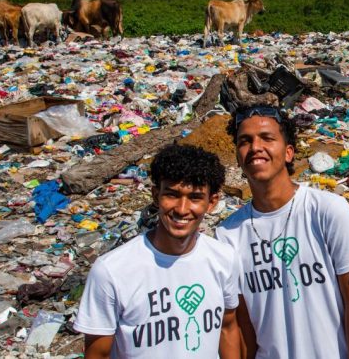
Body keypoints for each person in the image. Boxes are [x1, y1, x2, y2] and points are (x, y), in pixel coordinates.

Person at [216, 104, 349, 359]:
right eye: (245, 141)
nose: (255, 148)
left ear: (288, 152)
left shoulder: (328, 211)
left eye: (267, 138)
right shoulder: (228, 234)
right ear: (237, 156)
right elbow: (243, 326)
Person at [74, 144, 241, 359]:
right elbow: (98, 353)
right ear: (155, 195)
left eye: (195, 198)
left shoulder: (223, 258)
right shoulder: (112, 270)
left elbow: (228, 328)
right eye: (172, 195)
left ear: (212, 203)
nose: (182, 209)